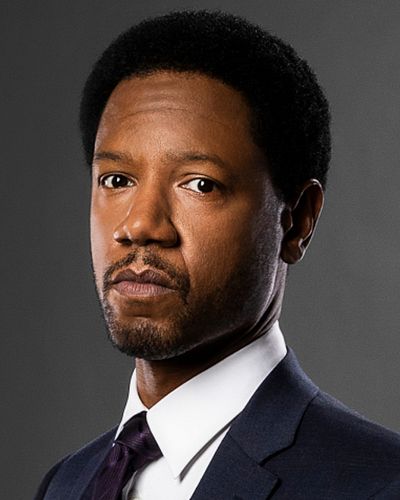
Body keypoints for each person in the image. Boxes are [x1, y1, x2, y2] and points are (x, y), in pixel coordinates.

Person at [35, 10, 400, 500]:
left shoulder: (379, 484)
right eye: (117, 180)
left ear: (297, 221)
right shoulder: (65, 483)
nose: (139, 225)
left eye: (200, 184)